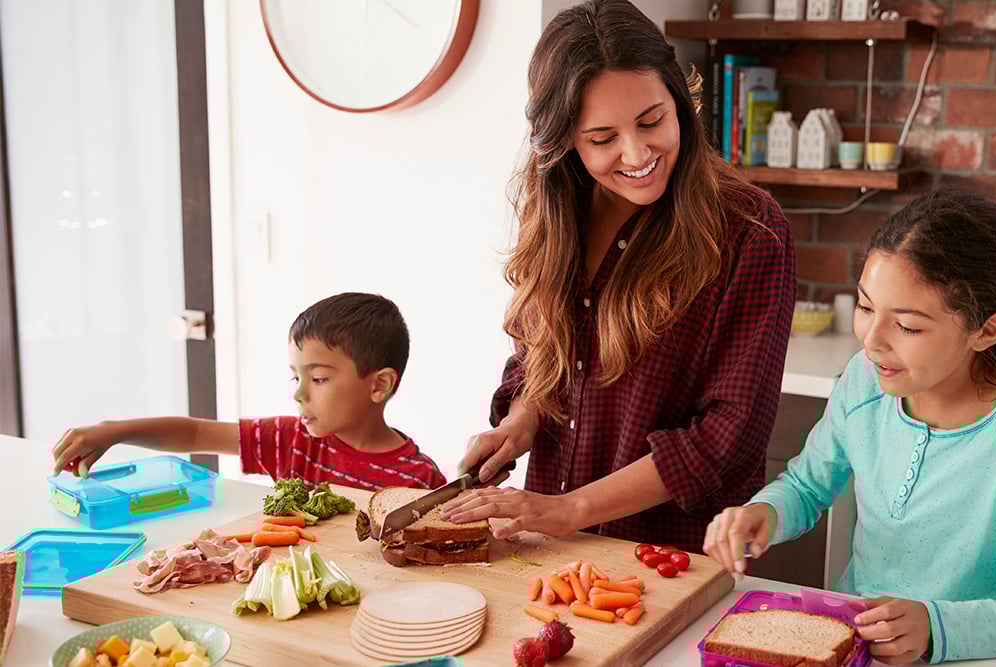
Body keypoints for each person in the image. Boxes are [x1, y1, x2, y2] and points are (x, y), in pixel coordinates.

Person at [703, 189, 996, 665]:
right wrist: (766, 513)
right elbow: (807, 484)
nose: (873, 340)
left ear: (987, 330)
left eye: (907, 326)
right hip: (861, 650)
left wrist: (937, 628)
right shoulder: (864, 379)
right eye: (865, 307)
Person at [440, 0, 796, 555]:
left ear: (679, 101)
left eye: (652, 121)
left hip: (671, 560)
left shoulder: (749, 230)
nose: (637, 153)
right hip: (548, 549)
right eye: (603, 138)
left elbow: (729, 434)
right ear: (565, 141)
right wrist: (521, 419)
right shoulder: (556, 214)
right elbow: (541, 355)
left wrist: (572, 508)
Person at [51, 292, 447, 492]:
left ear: (379, 384)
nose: (299, 395)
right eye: (296, 378)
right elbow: (196, 434)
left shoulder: (418, 480)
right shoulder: (292, 441)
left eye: (319, 379)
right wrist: (114, 431)